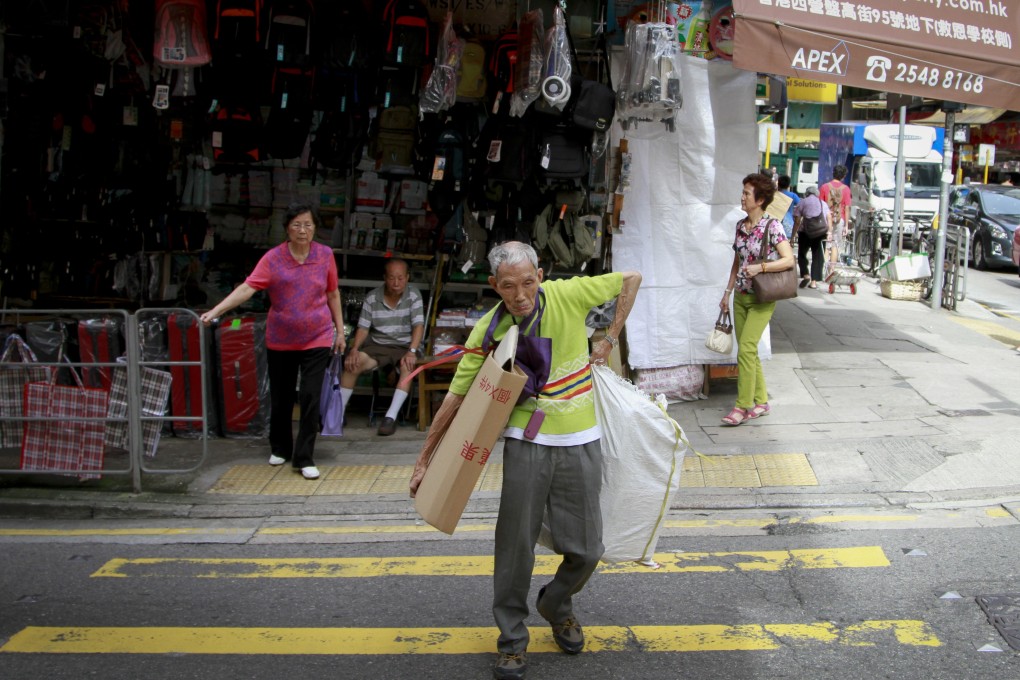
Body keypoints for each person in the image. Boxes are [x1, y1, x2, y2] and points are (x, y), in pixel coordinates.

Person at [410, 241, 641, 680]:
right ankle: (512, 639)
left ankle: (556, 604)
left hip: (581, 438)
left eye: (529, 282)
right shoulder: (489, 328)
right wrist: (424, 461)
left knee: (589, 549)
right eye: (510, 286)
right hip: (525, 441)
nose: (521, 295)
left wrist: (610, 336)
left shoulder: (569, 294)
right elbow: (457, 398)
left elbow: (631, 279)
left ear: (541, 274)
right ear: (494, 285)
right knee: (515, 547)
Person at [200, 203, 345, 480]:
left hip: (317, 336)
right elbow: (247, 288)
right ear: (287, 228)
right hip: (281, 339)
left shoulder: (325, 255)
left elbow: (333, 294)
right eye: (297, 225)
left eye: (308, 225)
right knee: (281, 397)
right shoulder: (273, 258)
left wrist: (339, 332)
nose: (303, 231)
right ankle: (280, 446)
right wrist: (217, 310)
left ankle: (304, 457)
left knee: (311, 396)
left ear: (315, 228)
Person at [719, 173, 796, 426]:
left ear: (760, 199)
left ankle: (742, 406)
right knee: (748, 351)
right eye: (743, 192)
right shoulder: (740, 227)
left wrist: (761, 268)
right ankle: (761, 402)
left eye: (746, 194)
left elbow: (789, 260)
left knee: (746, 350)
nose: (742, 197)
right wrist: (727, 292)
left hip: (762, 298)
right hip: (740, 296)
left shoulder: (772, 227)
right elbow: (736, 262)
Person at [340, 258, 425, 436]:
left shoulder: (413, 295)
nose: (396, 283)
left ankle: (390, 417)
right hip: (378, 345)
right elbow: (363, 327)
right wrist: (354, 349)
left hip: (405, 345)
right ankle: (338, 414)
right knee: (353, 363)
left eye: (400, 278)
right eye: (392, 278)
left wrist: (412, 351)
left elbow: (418, 326)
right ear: (385, 278)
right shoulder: (372, 297)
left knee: (407, 366)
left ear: (407, 278)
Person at [792, 185, 830, 289]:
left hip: (805, 232)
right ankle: (814, 282)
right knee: (818, 257)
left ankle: (805, 275)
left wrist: (792, 236)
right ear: (817, 194)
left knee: (802, 254)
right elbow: (828, 217)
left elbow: (797, 220)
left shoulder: (803, 202)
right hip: (820, 233)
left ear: (807, 193)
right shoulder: (823, 203)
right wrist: (829, 231)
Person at [777, 174, 800, 240]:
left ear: (778, 184)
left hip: (775, 224)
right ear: (788, 185)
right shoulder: (793, 196)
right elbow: (801, 205)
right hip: (789, 225)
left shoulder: (774, 195)